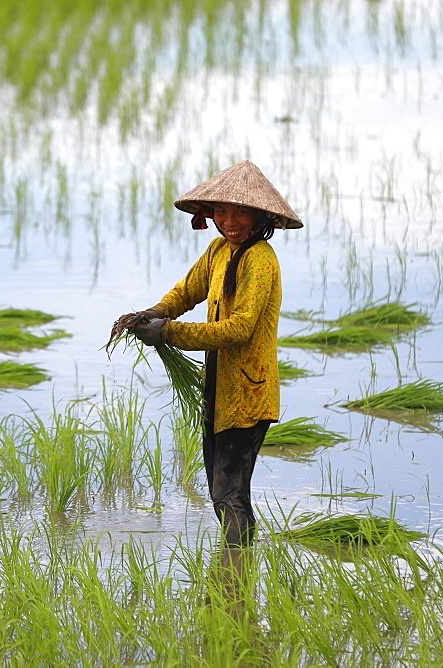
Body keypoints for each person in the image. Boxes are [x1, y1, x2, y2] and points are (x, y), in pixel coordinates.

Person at [125, 160, 303, 547]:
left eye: (241, 211)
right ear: (210, 214)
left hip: (248, 393)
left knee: (230, 494)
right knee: (221, 492)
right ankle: (237, 575)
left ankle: (236, 574)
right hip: (219, 390)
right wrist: (153, 314)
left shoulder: (261, 260)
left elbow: (239, 329)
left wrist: (169, 332)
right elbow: (186, 291)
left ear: (260, 215)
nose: (231, 220)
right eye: (222, 211)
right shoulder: (219, 250)